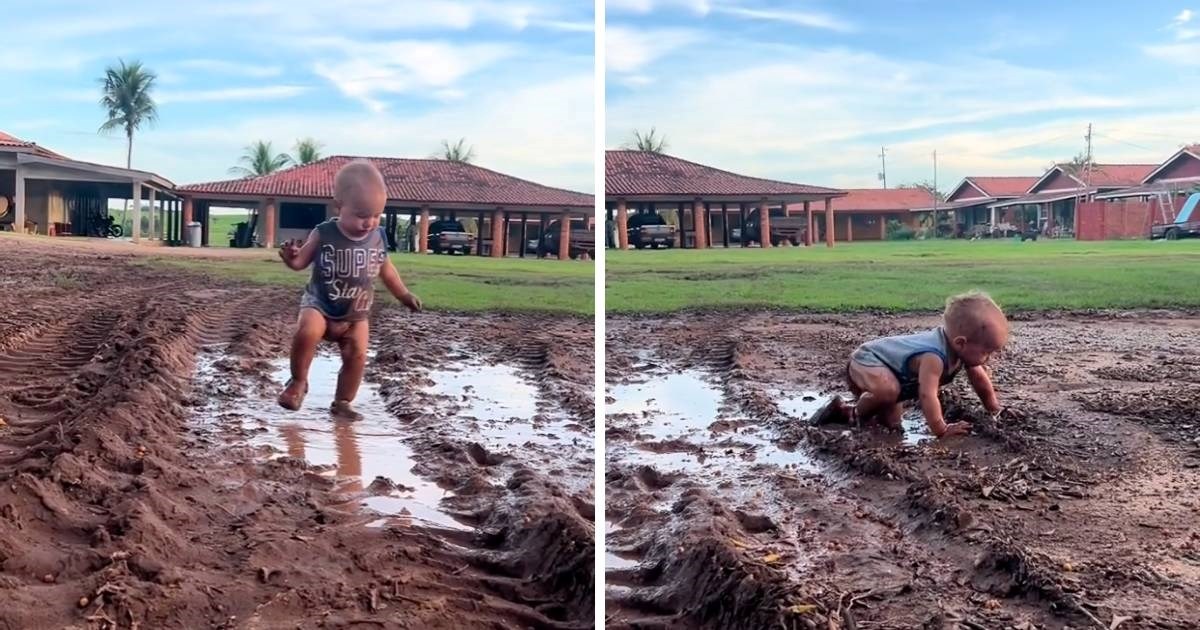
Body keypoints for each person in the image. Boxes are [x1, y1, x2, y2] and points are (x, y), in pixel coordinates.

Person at [276, 159, 422, 420]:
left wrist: (403, 295)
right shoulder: (324, 232)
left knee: (357, 356)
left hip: (356, 314)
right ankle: (298, 382)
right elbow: (300, 263)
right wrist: (290, 257)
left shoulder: (378, 238)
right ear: (339, 205)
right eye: (362, 215)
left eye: (376, 216)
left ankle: (342, 402)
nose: (369, 223)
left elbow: (386, 269)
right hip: (319, 304)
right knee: (307, 331)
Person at [812, 291, 1007, 439]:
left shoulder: (962, 353)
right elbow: (926, 395)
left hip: (892, 373)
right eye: (986, 351)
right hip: (868, 360)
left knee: (892, 427)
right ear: (961, 343)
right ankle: (847, 412)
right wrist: (941, 428)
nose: (988, 358)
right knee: (887, 390)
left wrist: (994, 409)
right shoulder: (934, 357)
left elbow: (981, 382)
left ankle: (865, 416)